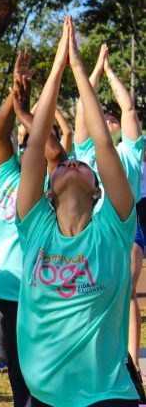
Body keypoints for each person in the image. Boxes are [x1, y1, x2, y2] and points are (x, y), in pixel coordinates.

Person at [16, 16, 141, 406]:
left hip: (105, 396)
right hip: (44, 396)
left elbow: (104, 147)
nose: (72, 163)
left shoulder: (114, 228)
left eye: (81, 165)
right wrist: (55, 69)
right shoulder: (34, 227)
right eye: (65, 165)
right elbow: (36, 145)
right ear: (48, 193)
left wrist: (79, 70)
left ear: (98, 189)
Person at [0, 50, 66, 406]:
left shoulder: (52, 184)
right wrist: (12, 96)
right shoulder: (8, 178)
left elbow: (54, 152)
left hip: (34, 293)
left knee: (38, 375)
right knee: (16, 372)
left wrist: (24, 113)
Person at [73, 42, 145, 380]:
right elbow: (80, 110)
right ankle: (89, 355)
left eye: (111, 118)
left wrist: (110, 71)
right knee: (86, 293)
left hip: (124, 230)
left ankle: (130, 364)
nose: (110, 120)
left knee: (125, 292)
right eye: (103, 117)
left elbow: (128, 110)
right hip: (88, 232)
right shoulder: (85, 151)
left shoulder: (130, 152)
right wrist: (95, 71)